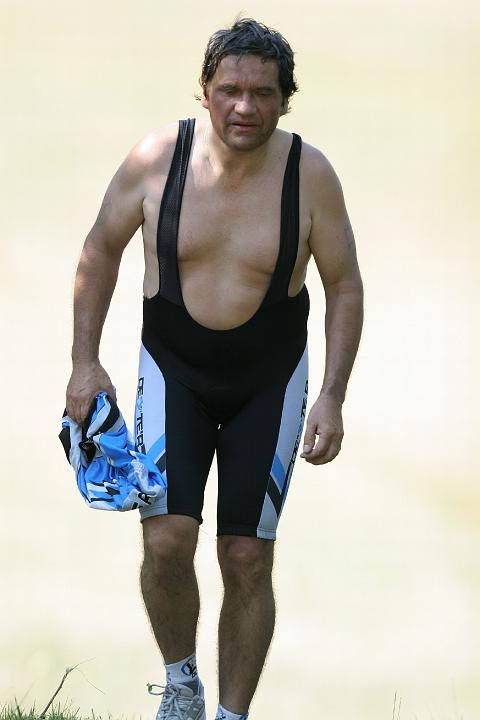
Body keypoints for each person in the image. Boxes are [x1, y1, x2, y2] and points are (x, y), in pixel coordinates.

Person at [65, 17, 364, 720]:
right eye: (230, 89)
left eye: (262, 93)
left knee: (246, 556)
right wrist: (84, 363)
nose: (244, 106)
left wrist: (332, 395)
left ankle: (232, 715)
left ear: (285, 100)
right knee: (167, 540)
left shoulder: (310, 175)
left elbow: (344, 283)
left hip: (270, 383)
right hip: (175, 372)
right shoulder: (157, 158)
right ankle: (181, 688)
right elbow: (99, 249)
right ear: (204, 90)